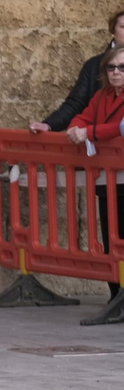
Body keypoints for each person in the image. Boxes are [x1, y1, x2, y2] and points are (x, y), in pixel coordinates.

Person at [60, 44, 124, 301]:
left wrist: (90, 133)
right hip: (106, 179)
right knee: (111, 236)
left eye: (122, 67)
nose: (116, 72)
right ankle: (116, 295)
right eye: (111, 67)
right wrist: (76, 129)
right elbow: (84, 116)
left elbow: (120, 127)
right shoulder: (103, 96)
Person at [31, 11, 124, 134]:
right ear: (113, 31)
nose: (116, 72)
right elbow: (76, 105)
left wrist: (88, 132)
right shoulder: (93, 67)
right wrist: (50, 124)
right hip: (100, 148)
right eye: (123, 26)